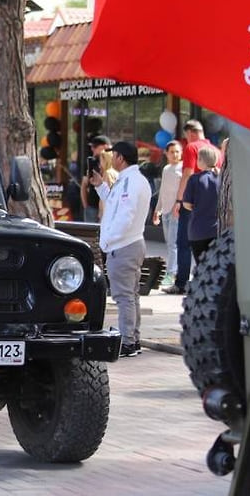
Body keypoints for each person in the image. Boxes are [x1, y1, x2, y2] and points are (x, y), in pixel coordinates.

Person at [91, 140, 151, 358]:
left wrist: (109, 241)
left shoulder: (129, 183)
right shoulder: (133, 180)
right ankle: (132, 339)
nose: (111, 158)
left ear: (121, 158)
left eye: (114, 155)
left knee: (124, 296)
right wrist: (100, 186)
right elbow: (116, 203)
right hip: (132, 242)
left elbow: (125, 216)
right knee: (131, 295)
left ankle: (127, 341)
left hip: (123, 245)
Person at [181, 144, 222, 267]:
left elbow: (187, 204)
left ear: (201, 161)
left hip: (198, 230)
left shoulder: (195, 179)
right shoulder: (221, 178)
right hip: (217, 230)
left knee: (201, 267)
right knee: (215, 267)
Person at [153, 141, 185, 291]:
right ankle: (173, 270)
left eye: (177, 151)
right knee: (169, 242)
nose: (175, 154)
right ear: (166, 153)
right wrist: (157, 209)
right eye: (172, 152)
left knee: (173, 243)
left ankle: (171, 273)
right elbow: (163, 191)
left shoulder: (182, 168)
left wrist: (178, 205)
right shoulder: (166, 169)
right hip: (165, 211)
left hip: (175, 211)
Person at [78, 135, 116, 223]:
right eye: (91, 147)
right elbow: (84, 186)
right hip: (92, 207)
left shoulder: (114, 164)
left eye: (95, 146)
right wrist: (86, 206)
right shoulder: (91, 163)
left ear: (105, 146)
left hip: (107, 208)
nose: (92, 149)